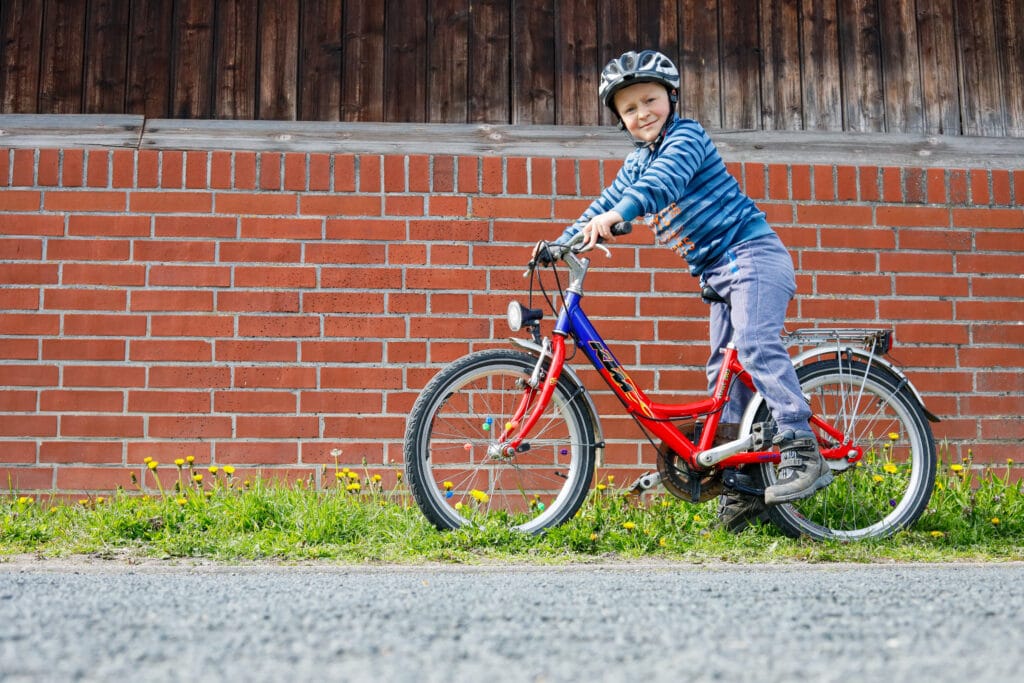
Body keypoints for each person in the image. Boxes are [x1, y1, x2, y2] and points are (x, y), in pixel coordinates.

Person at [538, 49, 832, 530]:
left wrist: (621, 215)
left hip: (752, 256)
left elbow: (662, 182)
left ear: (670, 98)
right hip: (718, 274)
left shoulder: (687, 137)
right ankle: (743, 487)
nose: (642, 113)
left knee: (756, 344)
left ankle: (801, 445)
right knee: (724, 377)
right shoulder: (636, 162)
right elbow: (607, 201)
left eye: (650, 100)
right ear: (620, 120)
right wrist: (565, 240)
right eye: (629, 109)